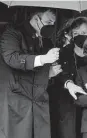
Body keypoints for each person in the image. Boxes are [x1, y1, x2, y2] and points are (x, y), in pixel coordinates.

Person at [0, 8, 61, 138]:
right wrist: (43, 59)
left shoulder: (47, 41)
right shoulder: (12, 34)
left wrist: (49, 73)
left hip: (38, 99)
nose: (51, 26)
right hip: (16, 100)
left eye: (53, 23)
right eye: (48, 22)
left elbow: (41, 70)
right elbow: (12, 58)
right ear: (36, 19)